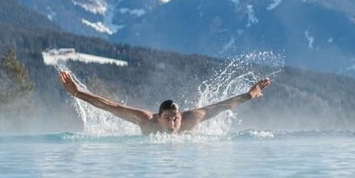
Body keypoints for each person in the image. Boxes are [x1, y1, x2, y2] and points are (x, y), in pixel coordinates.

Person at [59, 70, 271, 134]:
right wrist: (77, 93)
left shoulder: (191, 119)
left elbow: (222, 106)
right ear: (158, 118)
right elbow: (110, 106)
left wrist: (249, 95)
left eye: (175, 119)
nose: (172, 123)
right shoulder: (146, 121)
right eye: (168, 119)